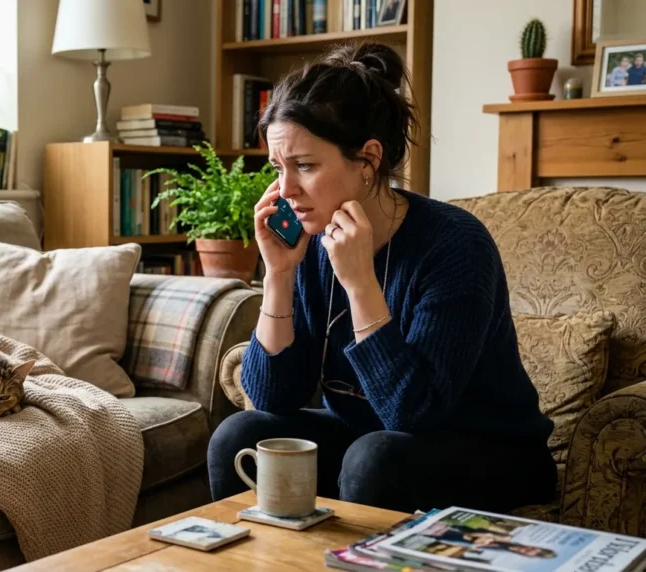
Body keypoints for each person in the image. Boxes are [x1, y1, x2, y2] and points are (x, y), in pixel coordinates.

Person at [207, 42, 556, 515]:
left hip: (489, 450)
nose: (286, 191)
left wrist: (359, 283)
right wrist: (278, 274)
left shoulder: (456, 246)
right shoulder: (310, 238)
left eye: (305, 166)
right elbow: (272, 397)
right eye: (278, 168)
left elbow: (415, 414)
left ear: (369, 160)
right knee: (240, 435)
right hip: (369, 440)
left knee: (375, 459)